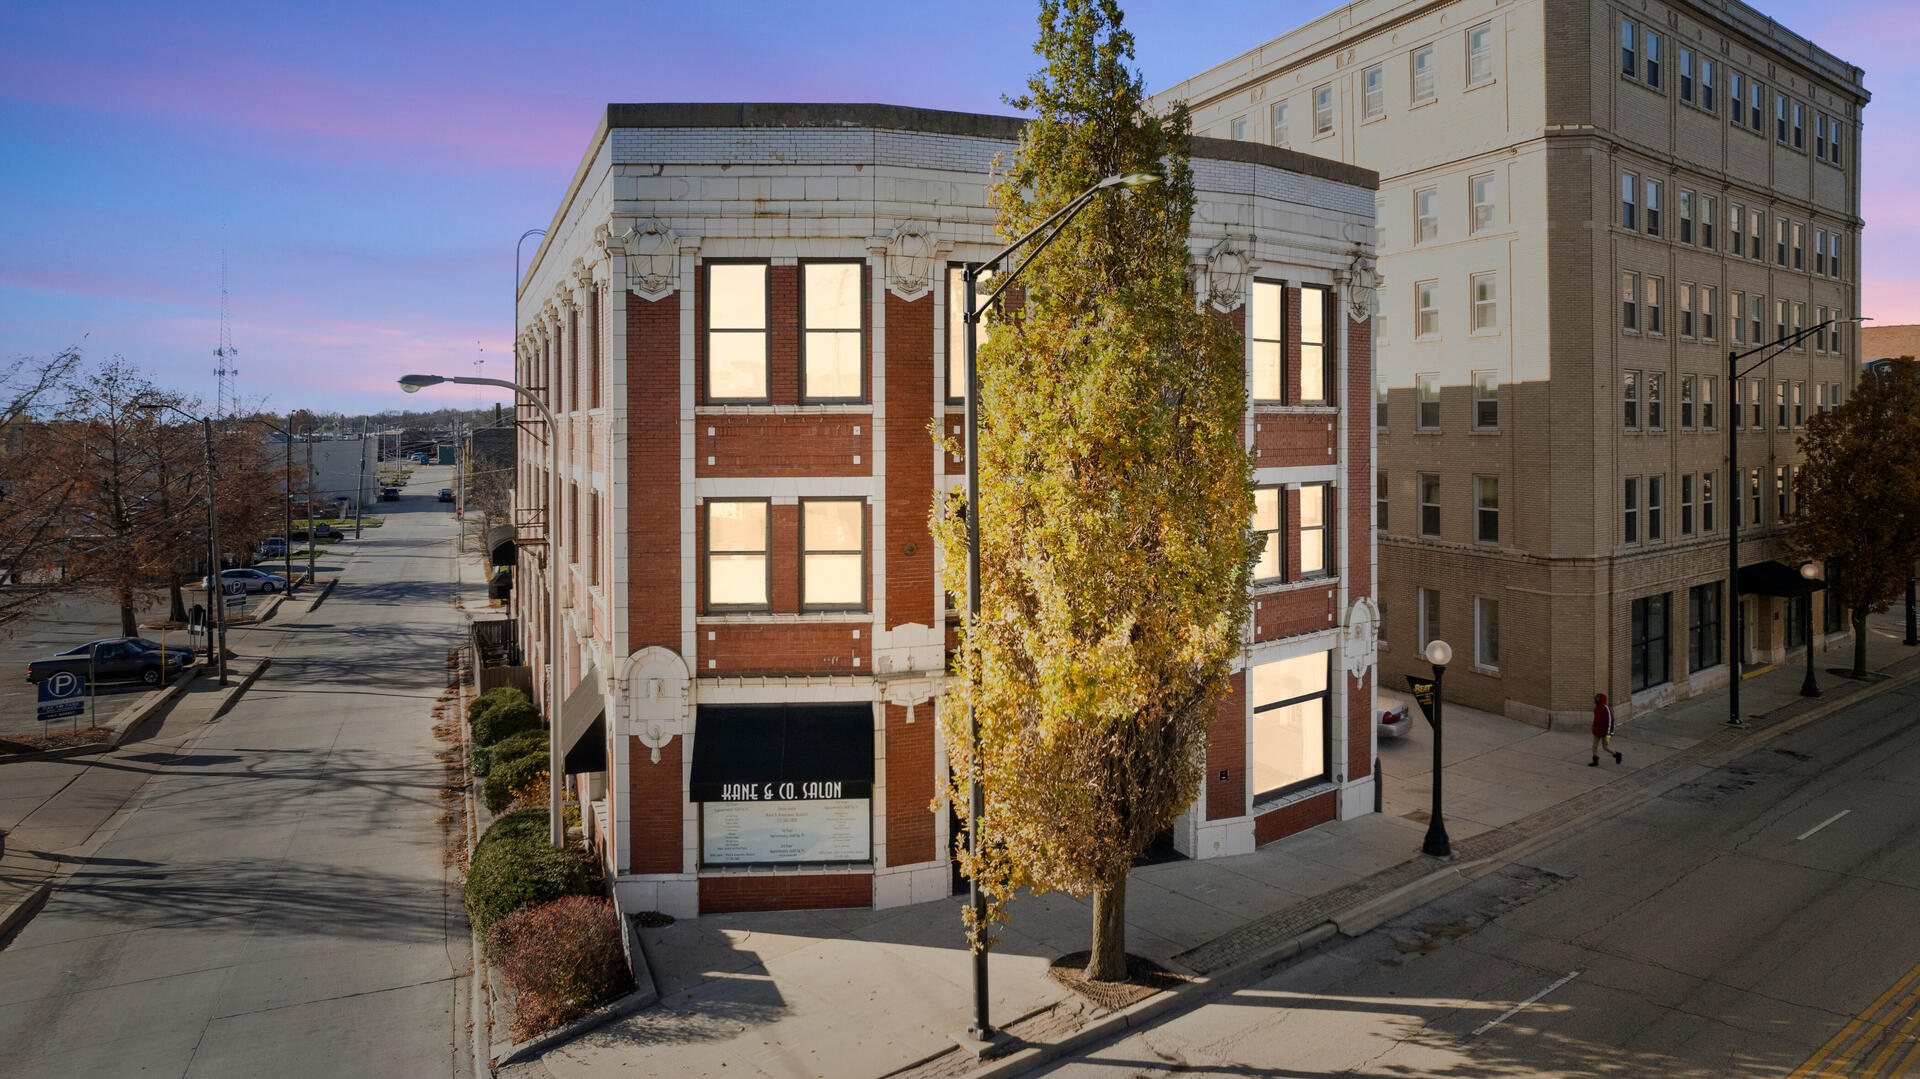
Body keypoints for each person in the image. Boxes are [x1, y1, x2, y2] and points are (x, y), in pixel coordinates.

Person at [1591, 692, 1622, 767]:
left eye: (1597, 699)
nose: (1595, 700)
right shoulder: (1596, 708)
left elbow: (1610, 723)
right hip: (1597, 731)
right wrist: (1594, 728)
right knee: (1594, 746)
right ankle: (1595, 762)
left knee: (1605, 746)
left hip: (1606, 733)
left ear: (1601, 700)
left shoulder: (1606, 709)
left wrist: (1609, 734)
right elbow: (1596, 720)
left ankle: (1616, 754)